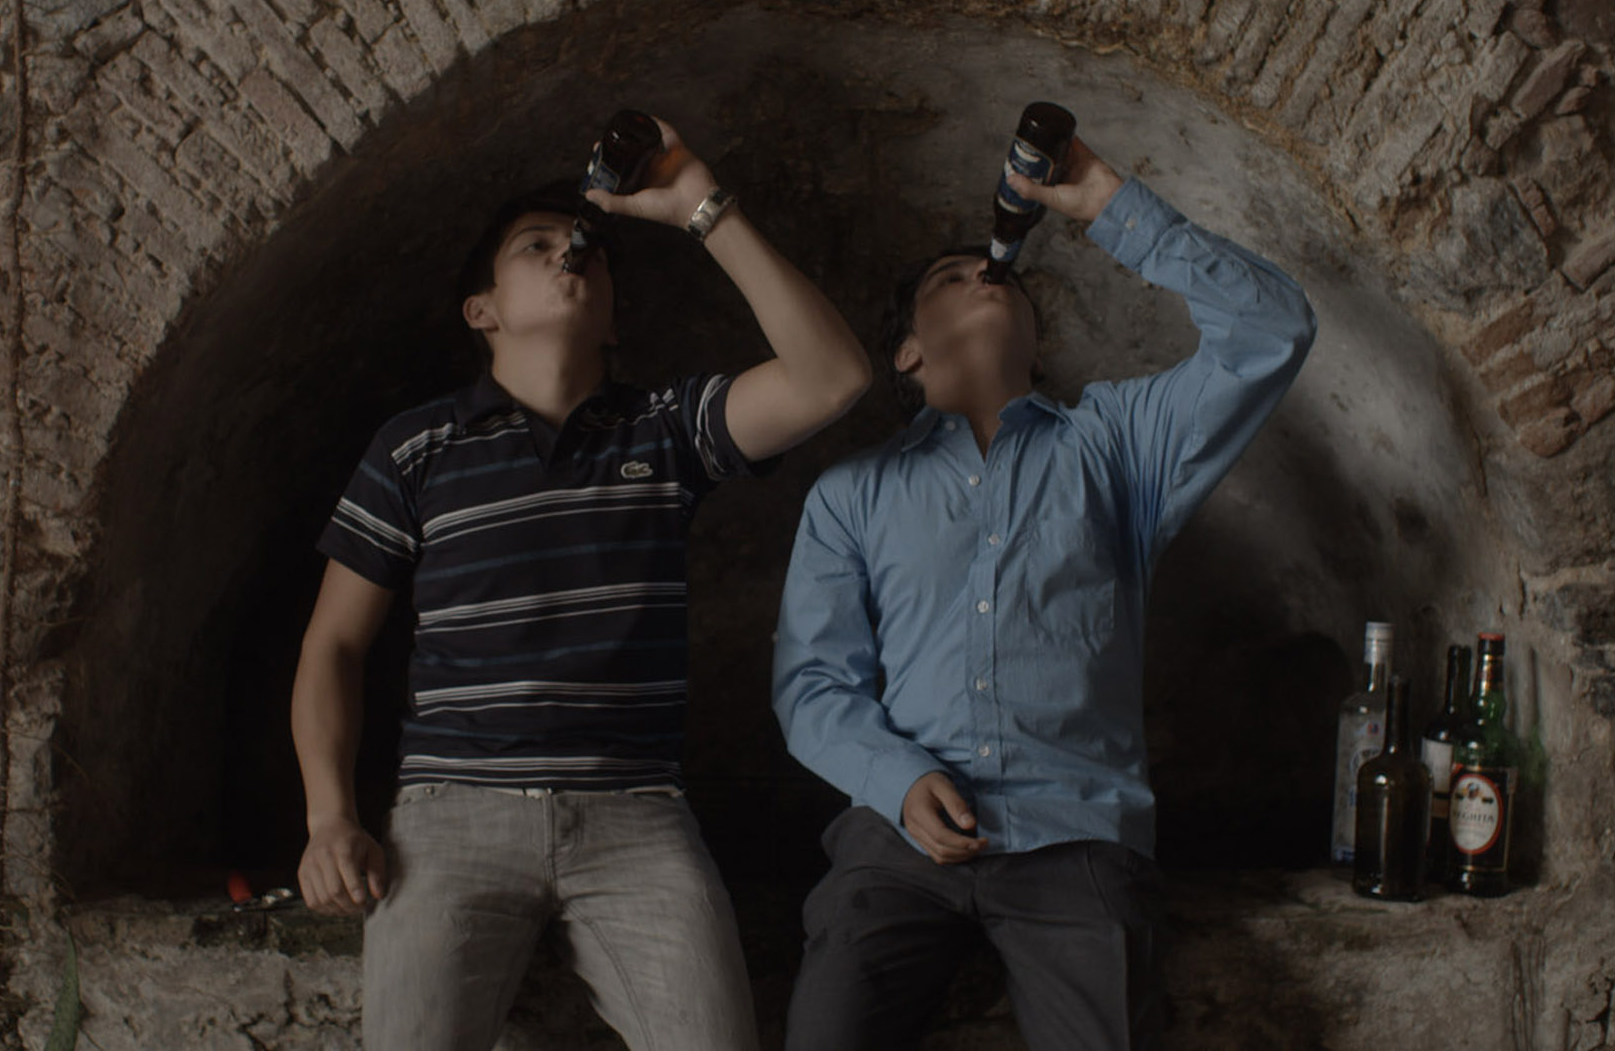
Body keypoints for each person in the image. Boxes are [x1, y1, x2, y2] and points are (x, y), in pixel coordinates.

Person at [292, 114, 870, 1051]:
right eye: (534, 245)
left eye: (586, 249)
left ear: (612, 318)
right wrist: (330, 819)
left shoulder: (666, 429)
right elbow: (334, 644)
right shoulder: (415, 447)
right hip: (451, 816)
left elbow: (833, 377)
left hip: (637, 818)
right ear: (481, 310)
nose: (571, 251)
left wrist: (702, 206)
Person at [771, 132, 1316, 1051]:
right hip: (897, 849)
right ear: (907, 352)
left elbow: (1274, 329)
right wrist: (898, 781)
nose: (984, 275)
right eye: (949, 278)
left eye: (998, 276)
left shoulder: (1119, 444)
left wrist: (1106, 199)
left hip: (1080, 843)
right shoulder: (850, 494)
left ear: (1035, 336)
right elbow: (812, 685)